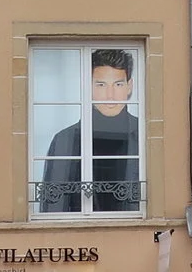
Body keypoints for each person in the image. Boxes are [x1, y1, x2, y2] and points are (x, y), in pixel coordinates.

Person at [38, 50, 139, 213]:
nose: (110, 95)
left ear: (129, 86)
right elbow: (51, 207)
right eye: (101, 84)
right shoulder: (64, 140)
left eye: (118, 84)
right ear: (89, 87)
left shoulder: (145, 137)